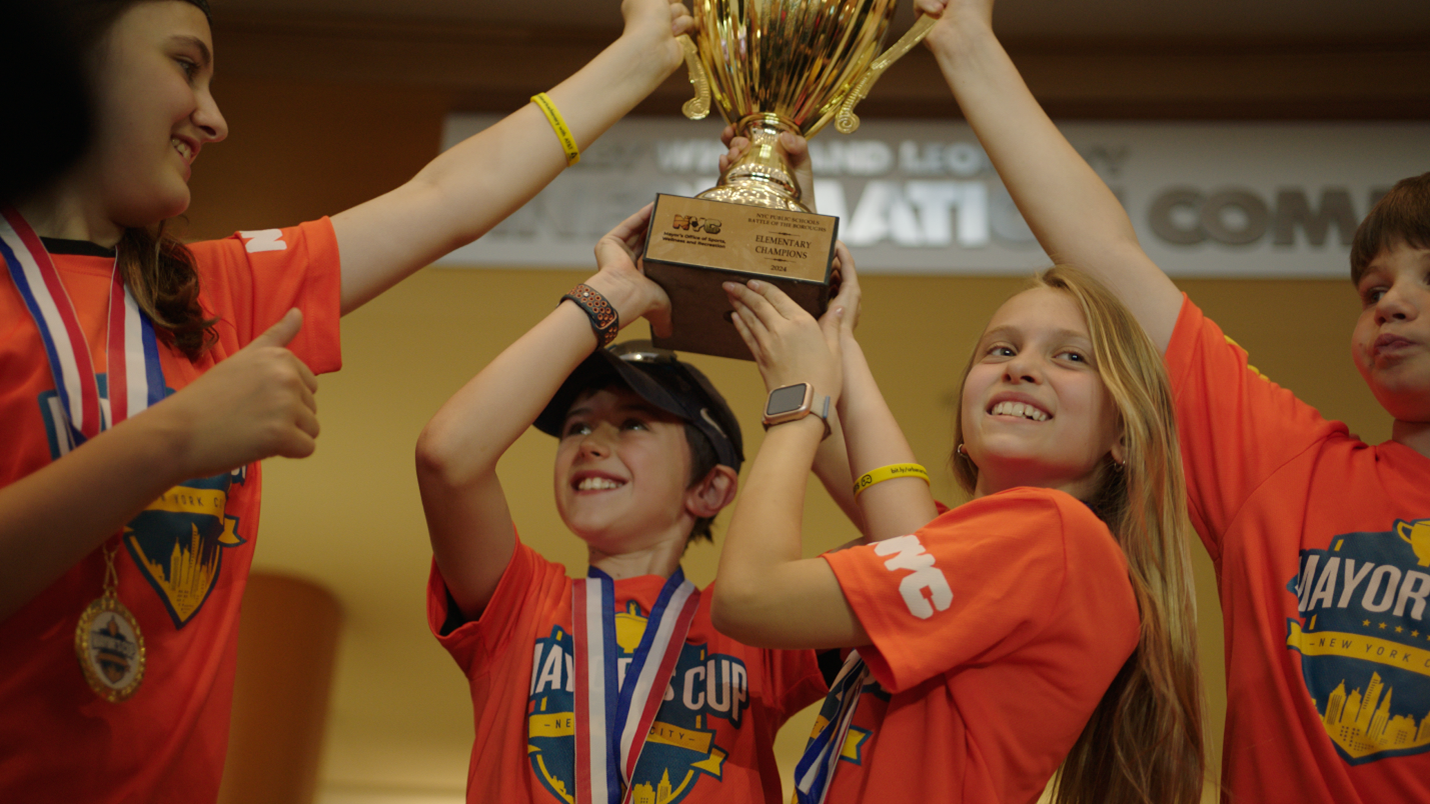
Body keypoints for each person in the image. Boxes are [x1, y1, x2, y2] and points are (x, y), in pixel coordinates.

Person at [0, 0, 696, 800]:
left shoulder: (208, 295)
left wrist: (643, 53)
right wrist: (178, 437)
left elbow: (445, 198)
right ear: (64, 64)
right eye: (186, 67)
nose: (216, 119)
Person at [916, 0, 1430, 801]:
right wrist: (964, 39)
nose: (1392, 304)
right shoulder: (1288, 474)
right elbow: (1104, 255)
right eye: (1374, 288)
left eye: (1427, 282)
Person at [710, 249, 1204, 803]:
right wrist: (831, 319)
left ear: (1124, 435)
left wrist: (796, 404)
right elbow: (892, 509)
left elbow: (750, 596)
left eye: (1070, 357)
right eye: (1001, 349)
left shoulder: (1056, 537)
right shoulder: (1005, 550)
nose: (1019, 366)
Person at [414, 205, 830, 804]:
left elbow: (917, 550)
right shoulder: (520, 602)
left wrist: (815, 366)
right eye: (577, 427)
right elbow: (447, 458)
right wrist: (610, 295)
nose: (592, 444)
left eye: (633, 425)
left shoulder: (756, 624)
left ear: (709, 489)